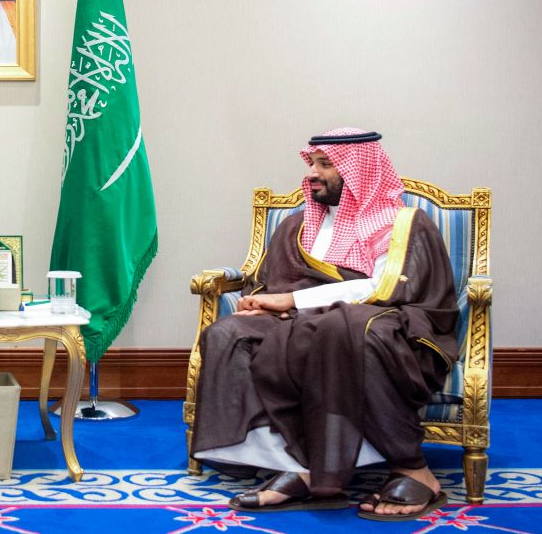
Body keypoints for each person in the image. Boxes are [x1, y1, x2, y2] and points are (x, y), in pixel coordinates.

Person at [191, 128, 458, 522]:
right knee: (231, 333)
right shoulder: (299, 225)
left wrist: (293, 301)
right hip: (303, 323)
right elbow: (282, 283)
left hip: (392, 325)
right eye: (312, 164)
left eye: (326, 165)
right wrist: (271, 305)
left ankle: (413, 467)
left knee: (346, 330)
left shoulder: (402, 224)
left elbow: (385, 288)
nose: (313, 174)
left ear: (359, 170)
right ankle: (300, 466)